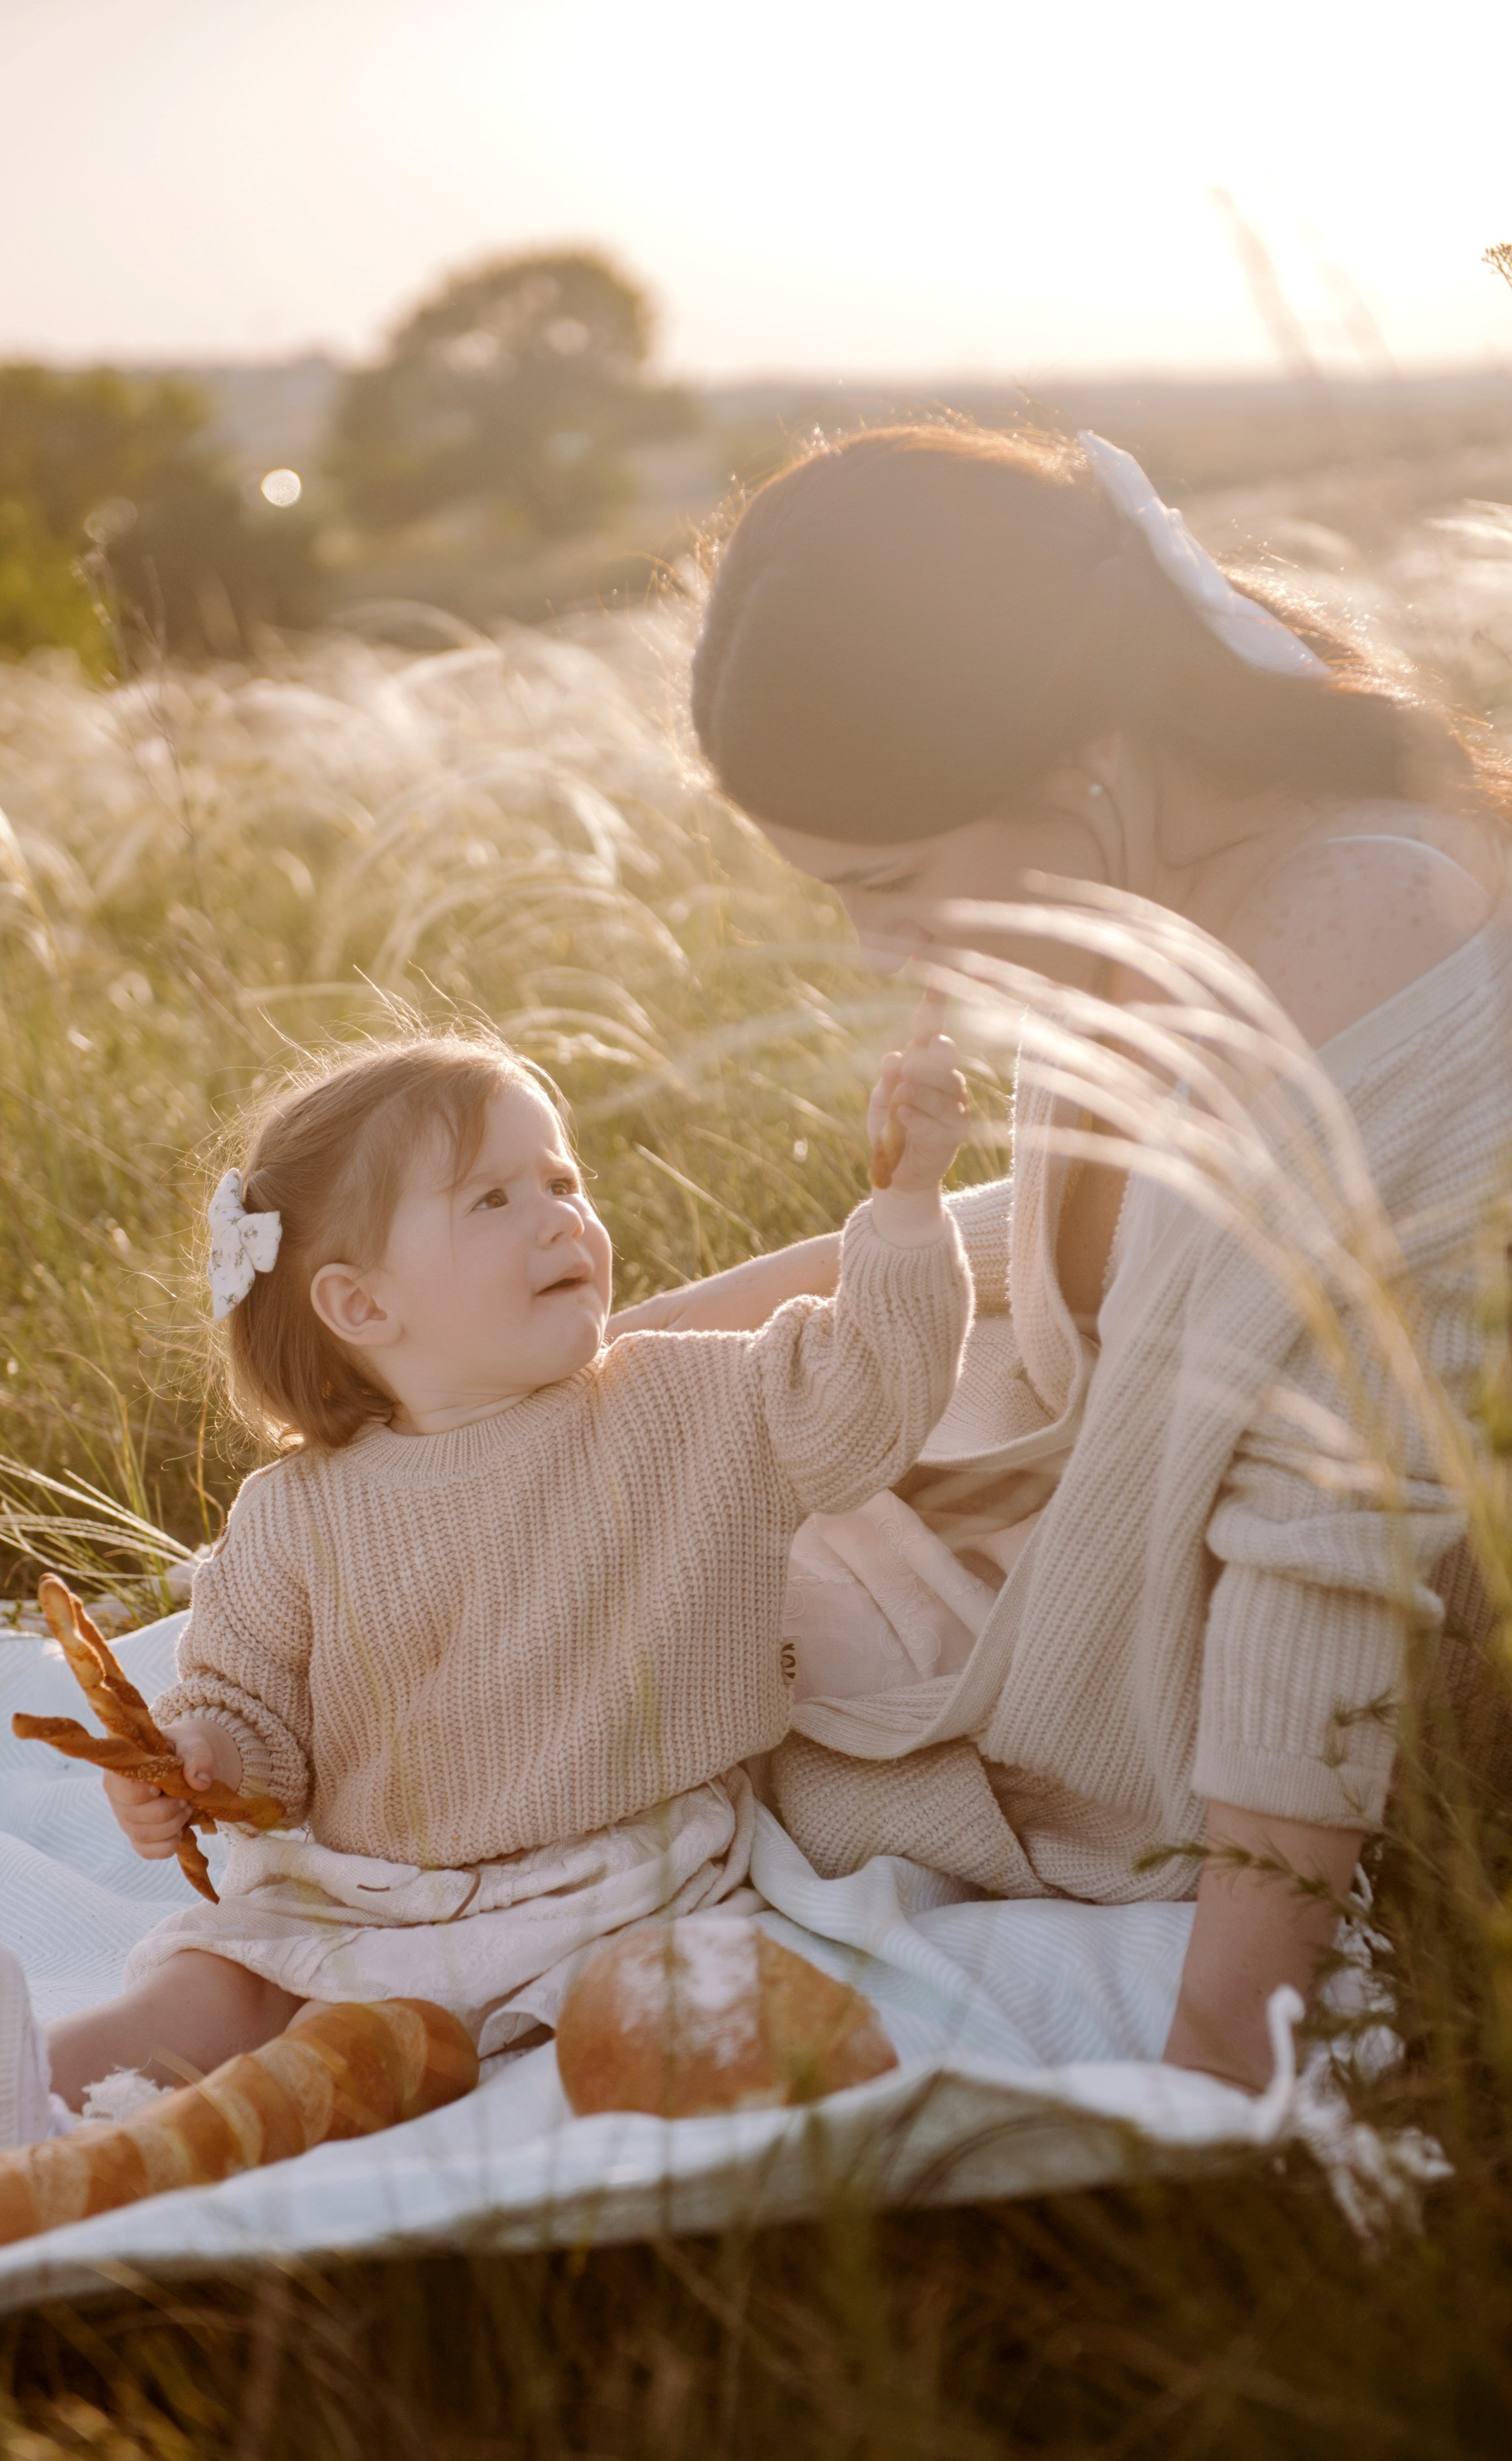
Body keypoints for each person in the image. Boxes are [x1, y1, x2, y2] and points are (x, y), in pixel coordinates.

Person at [628, 419, 1512, 2090]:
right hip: (1139, 1536)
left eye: (886, 878)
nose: (875, 949)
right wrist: (636, 1352)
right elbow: (1116, 1259)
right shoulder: (1146, 876)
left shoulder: (1368, 935)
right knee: (603, 1514)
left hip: (1287, 1694)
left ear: (1083, 756)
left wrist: (1219, 2061)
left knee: (658, 1657)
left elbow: (1329, 1534)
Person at [0, 1019, 970, 2186]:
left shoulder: (683, 1405)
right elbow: (250, 1717)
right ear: (361, 1307)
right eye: (495, 1199)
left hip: (615, 1874)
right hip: (367, 1884)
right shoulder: (300, 1515)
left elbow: (865, 1399)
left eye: (562, 1180)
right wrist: (185, 1762)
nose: (560, 1217)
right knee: (215, 1992)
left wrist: (908, 1205)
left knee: (480, 2023)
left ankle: (23, 2133)